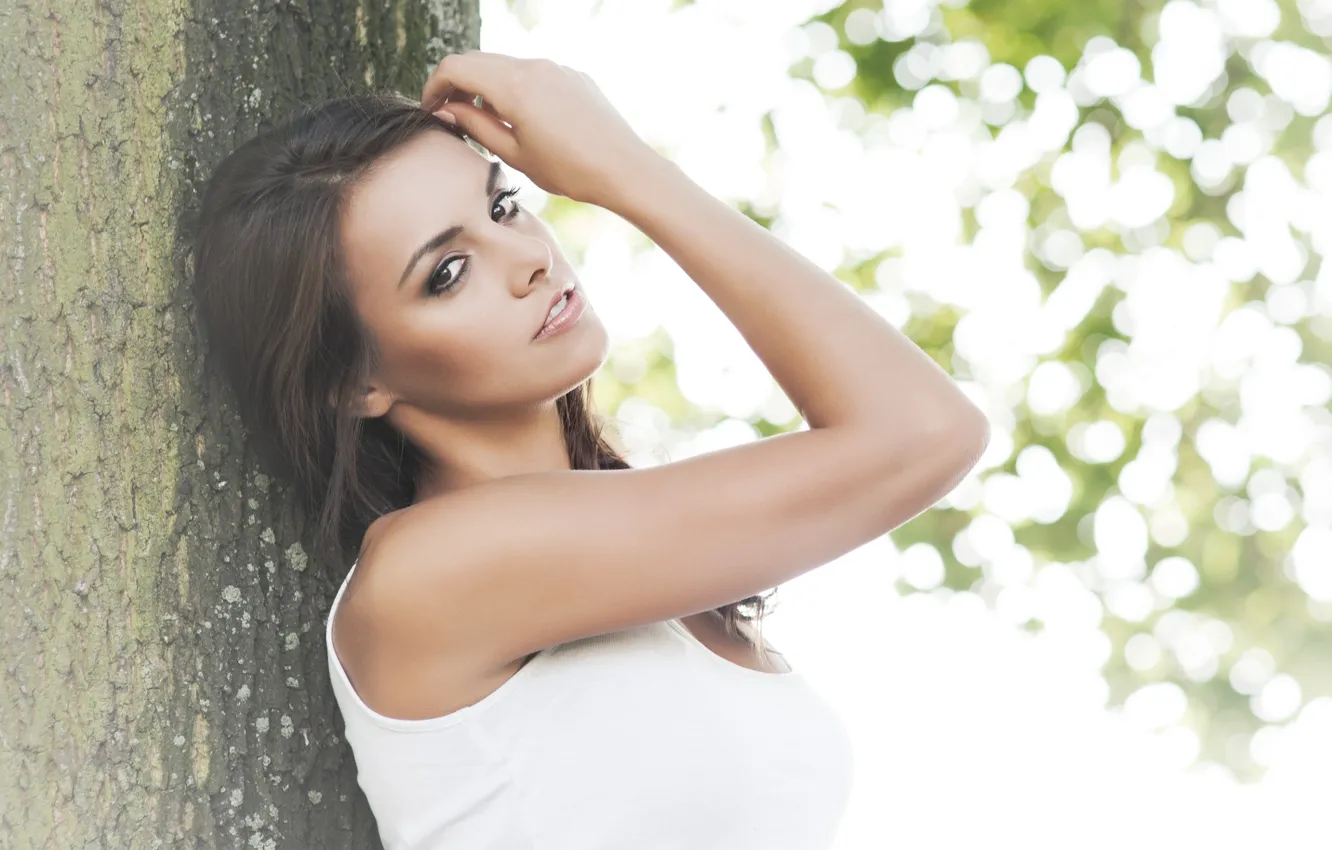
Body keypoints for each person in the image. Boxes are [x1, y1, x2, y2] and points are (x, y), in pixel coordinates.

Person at [190, 50, 989, 850]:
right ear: (354, 383)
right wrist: (622, 166)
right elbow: (924, 432)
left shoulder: (662, 582)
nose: (531, 257)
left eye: (503, 206)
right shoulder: (426, 573)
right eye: (450, 271)